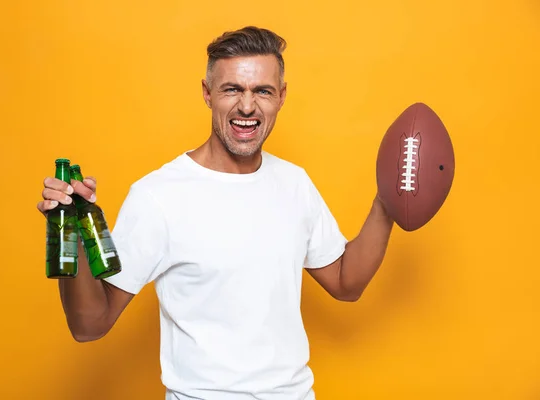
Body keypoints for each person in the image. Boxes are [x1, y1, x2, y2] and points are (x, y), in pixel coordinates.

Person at [37, 26, 394, 400]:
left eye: (262, 91)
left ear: (282, 96)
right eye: (232, 89)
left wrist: (385, 204)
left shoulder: (295, 183)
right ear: (207, 94)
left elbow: (345, 282)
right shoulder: (158, 196)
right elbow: (89, 325)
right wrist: (70, 233)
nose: (246, 106)